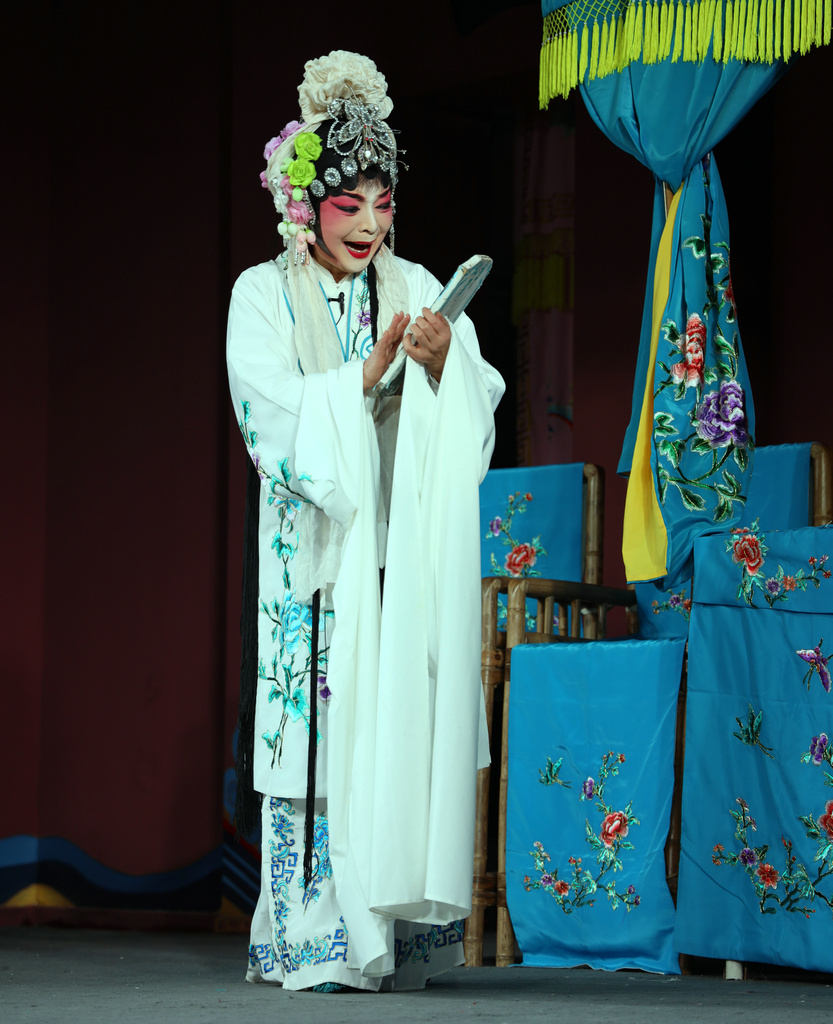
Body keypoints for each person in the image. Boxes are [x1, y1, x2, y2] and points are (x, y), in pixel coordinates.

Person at [226, 50, 504, 993]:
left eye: (383, 204)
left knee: (394, 728)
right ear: (302, 207)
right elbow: (269, 417)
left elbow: (476, 405)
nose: (370, 225)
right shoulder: (261, 295)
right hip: (310, 559)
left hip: (394, 563)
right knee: (313, 744)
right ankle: (314, 939)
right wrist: (363, 380)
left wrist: (440, 365)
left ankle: (394, 935)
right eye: (349, 206)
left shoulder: (415, 284)